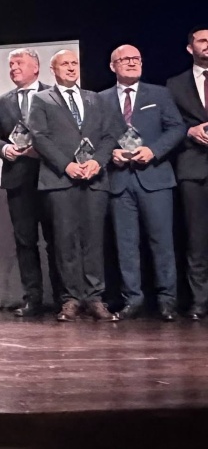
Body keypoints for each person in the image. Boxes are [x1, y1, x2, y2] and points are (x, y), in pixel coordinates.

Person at [28, 50, 118, 322]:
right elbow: (39, 137)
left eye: (74, 63)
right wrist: (66, 165)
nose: (70, 68)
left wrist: (98, 162)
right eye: (64, 64)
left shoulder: (96, 99)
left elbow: (110, 134)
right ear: (52, 70)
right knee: (65, 241)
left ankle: (95, 297)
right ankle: (70, 299)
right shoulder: (42, 99)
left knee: (93, 240)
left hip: (94, 179)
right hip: (60, 180)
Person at [101, 45, 184, 321]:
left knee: (162, 242)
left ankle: (167, 300)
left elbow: (177, 128)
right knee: (125, 245)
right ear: (113, 66)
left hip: (155, 178)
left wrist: (154, 150)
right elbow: (97, 135)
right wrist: (111, 152)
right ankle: (132, 299)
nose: (131, 63)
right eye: (124, 60)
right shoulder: (101, 99)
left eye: (136, 58)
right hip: (119, 180)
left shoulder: (159, 94)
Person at [0, 48, 60, 317]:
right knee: (25, 241)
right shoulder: (2, 102)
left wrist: (43, 150)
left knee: (57, 240)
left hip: (51, 177)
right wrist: (5, 149)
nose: (14, 68)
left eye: (19, 63)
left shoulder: (54, 96)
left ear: (36, 67)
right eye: (11, 64)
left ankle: (63, 297)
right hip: (18, 180)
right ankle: (33, 298)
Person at [166, 26, 208, 320]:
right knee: (197, 239)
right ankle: (200, 301)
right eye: (203, 41)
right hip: (193, 167)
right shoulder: (174, 85)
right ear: (190, 48)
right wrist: (189, 131)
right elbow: (168, 125)